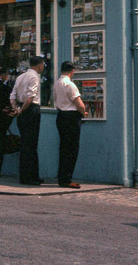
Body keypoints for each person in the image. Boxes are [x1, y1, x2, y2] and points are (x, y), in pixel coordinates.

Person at [10, 56, 45, 185]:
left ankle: (29, 175)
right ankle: (30, 177)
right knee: (31, 144)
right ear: (40, 64)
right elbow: (30, 98)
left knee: (25, 143)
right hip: (31, 110)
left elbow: (12, 96)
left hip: (21, 111)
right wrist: (22, 110)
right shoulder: (34, 77)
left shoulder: (20, 77)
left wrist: (16, 109)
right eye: (43, 65)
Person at [53, 61, 86, 189]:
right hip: (71, 117)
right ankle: (67, 179)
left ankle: (62, 177)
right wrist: (83, 113)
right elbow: (79, 104)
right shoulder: (70, 85)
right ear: (72, 71)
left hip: (61, 115)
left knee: (64, 148)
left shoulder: (57, 83)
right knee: (72, 149)